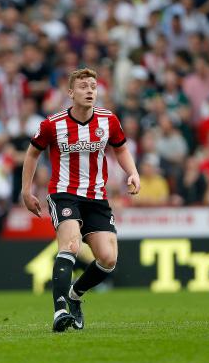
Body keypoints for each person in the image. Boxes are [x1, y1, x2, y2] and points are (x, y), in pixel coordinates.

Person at [21, 68, 140, 332]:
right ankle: (60, 310)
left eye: (93, 87)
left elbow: (121, 149)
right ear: (71, 92)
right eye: (84, 87)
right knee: (71, 246)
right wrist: (26, 191)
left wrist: (132, 173)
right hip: (64, 193)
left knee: (108, 259)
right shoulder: (52, 124)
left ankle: (74, 296)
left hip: (97, 197)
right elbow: (31, 155)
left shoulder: (108, 120)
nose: (90, 91)